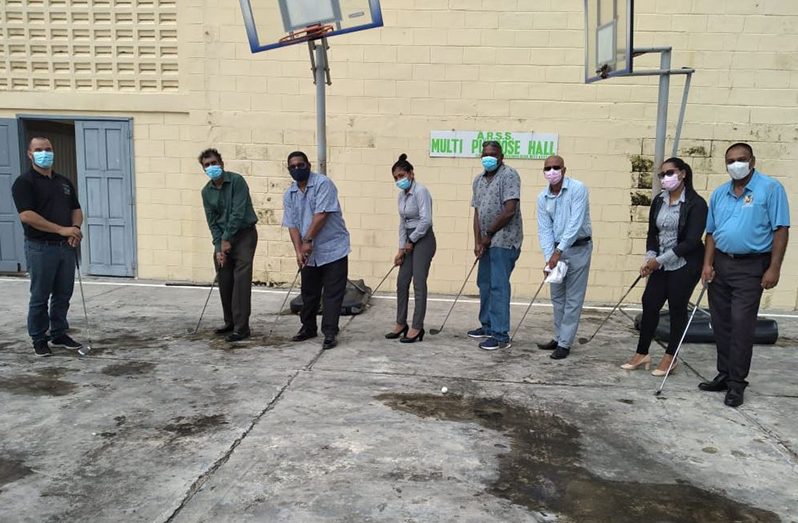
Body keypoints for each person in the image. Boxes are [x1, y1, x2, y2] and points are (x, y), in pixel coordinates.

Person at [700, 143, 789, 407]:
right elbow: (711, 233)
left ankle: (737, 384)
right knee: (721, 323)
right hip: (721, 265)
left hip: (751, 267)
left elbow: (780, 229)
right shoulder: (719, 193)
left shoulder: (770, 189)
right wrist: (707, 264)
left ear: (752, 161)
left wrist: (774, 267)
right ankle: (724, 374)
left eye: (741, 159)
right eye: (730, 160)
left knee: (741, 325)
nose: (735, 164)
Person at [621, 158, 707, 375]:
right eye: (662, 174)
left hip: (685, 262)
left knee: (677, 306)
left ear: (683, 174)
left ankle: (671, 356)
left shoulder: (696, 204)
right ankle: (642, 353)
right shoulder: (659, 200)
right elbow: (652, 233)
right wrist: (650, 257)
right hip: (660, 262)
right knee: (650, 302)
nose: (665, 178)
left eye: (670, 173)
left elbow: (691, 241)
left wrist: (658, 261)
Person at [11, 137, 84, 357]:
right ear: (30, 154)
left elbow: (76, 209)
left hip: (65, 247)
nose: (45, 153)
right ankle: (39, 338)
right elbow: (27, 215)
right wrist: (60, 230)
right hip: (40, 247)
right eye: (39, 150)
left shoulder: (63, 182)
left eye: (48, 149)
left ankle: (59, 333)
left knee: (63, 293)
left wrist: (74, 228)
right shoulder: (24, 183)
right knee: (40, 295)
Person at [282, 151, 350, 350]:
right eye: (292, 167)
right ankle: (307, 327)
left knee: (332, 293)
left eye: (300, 165)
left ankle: (329, 332)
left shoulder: (323, 184)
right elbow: (292, 225)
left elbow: (321, 215)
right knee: (309, 292)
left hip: (333, 247)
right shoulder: (289, 194)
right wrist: (298, 251)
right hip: (308, 252)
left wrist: (308, 240)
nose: (297, 169)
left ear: (308, 165)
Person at [535, 155, 593, 360]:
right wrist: (549, 255)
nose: (552, 171)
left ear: (564, 170)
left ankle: (566, 343)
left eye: (556, 167)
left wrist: (558, 251)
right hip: (556, 253)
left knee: (573, 299)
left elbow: (575, 223)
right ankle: (559, 337)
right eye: (547, 168)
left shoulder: (578, 189)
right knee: (557, 297)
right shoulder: (542, 198)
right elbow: (544, 229)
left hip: (578, 248)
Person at [467, 141, 523, 351]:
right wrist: (478, 241)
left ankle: (501, 335)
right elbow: (477, 213)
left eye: (493, 154)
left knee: (499, 287)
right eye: (485, 154)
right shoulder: (478, 180)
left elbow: (509, 210)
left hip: (504, 240)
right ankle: (488, 325)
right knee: (484, 283)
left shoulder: (509, 175)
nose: (489, 157)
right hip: (486, 242)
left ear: (501, 156)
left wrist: (489, 233)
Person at [199, 148, 258, 342]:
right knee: (224, 277)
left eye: (214, 163)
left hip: (243, 234)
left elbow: (238, 213)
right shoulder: (206, 192)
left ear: (221, 163)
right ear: (203, 169)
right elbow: (212, 221)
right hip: (223, 239)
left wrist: (227, 239)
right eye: (207, 165)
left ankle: (242, 327)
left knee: (241, 280)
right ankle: (230, 321)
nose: (211, 167)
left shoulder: (237, 181)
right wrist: (218, 247)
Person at [385, 154, 436, 343]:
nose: (399, 180)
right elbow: (402, 223)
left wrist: (412, 240)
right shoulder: (401, 196)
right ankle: (401, 323)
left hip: (423, 238)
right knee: (402, 281)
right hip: (409, 239)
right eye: (396, 178)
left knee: (419, 283)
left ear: (411, 173)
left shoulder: (421, 191)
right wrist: (400, 249)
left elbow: (426, 220)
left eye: (401, 175)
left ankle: (416, 327)